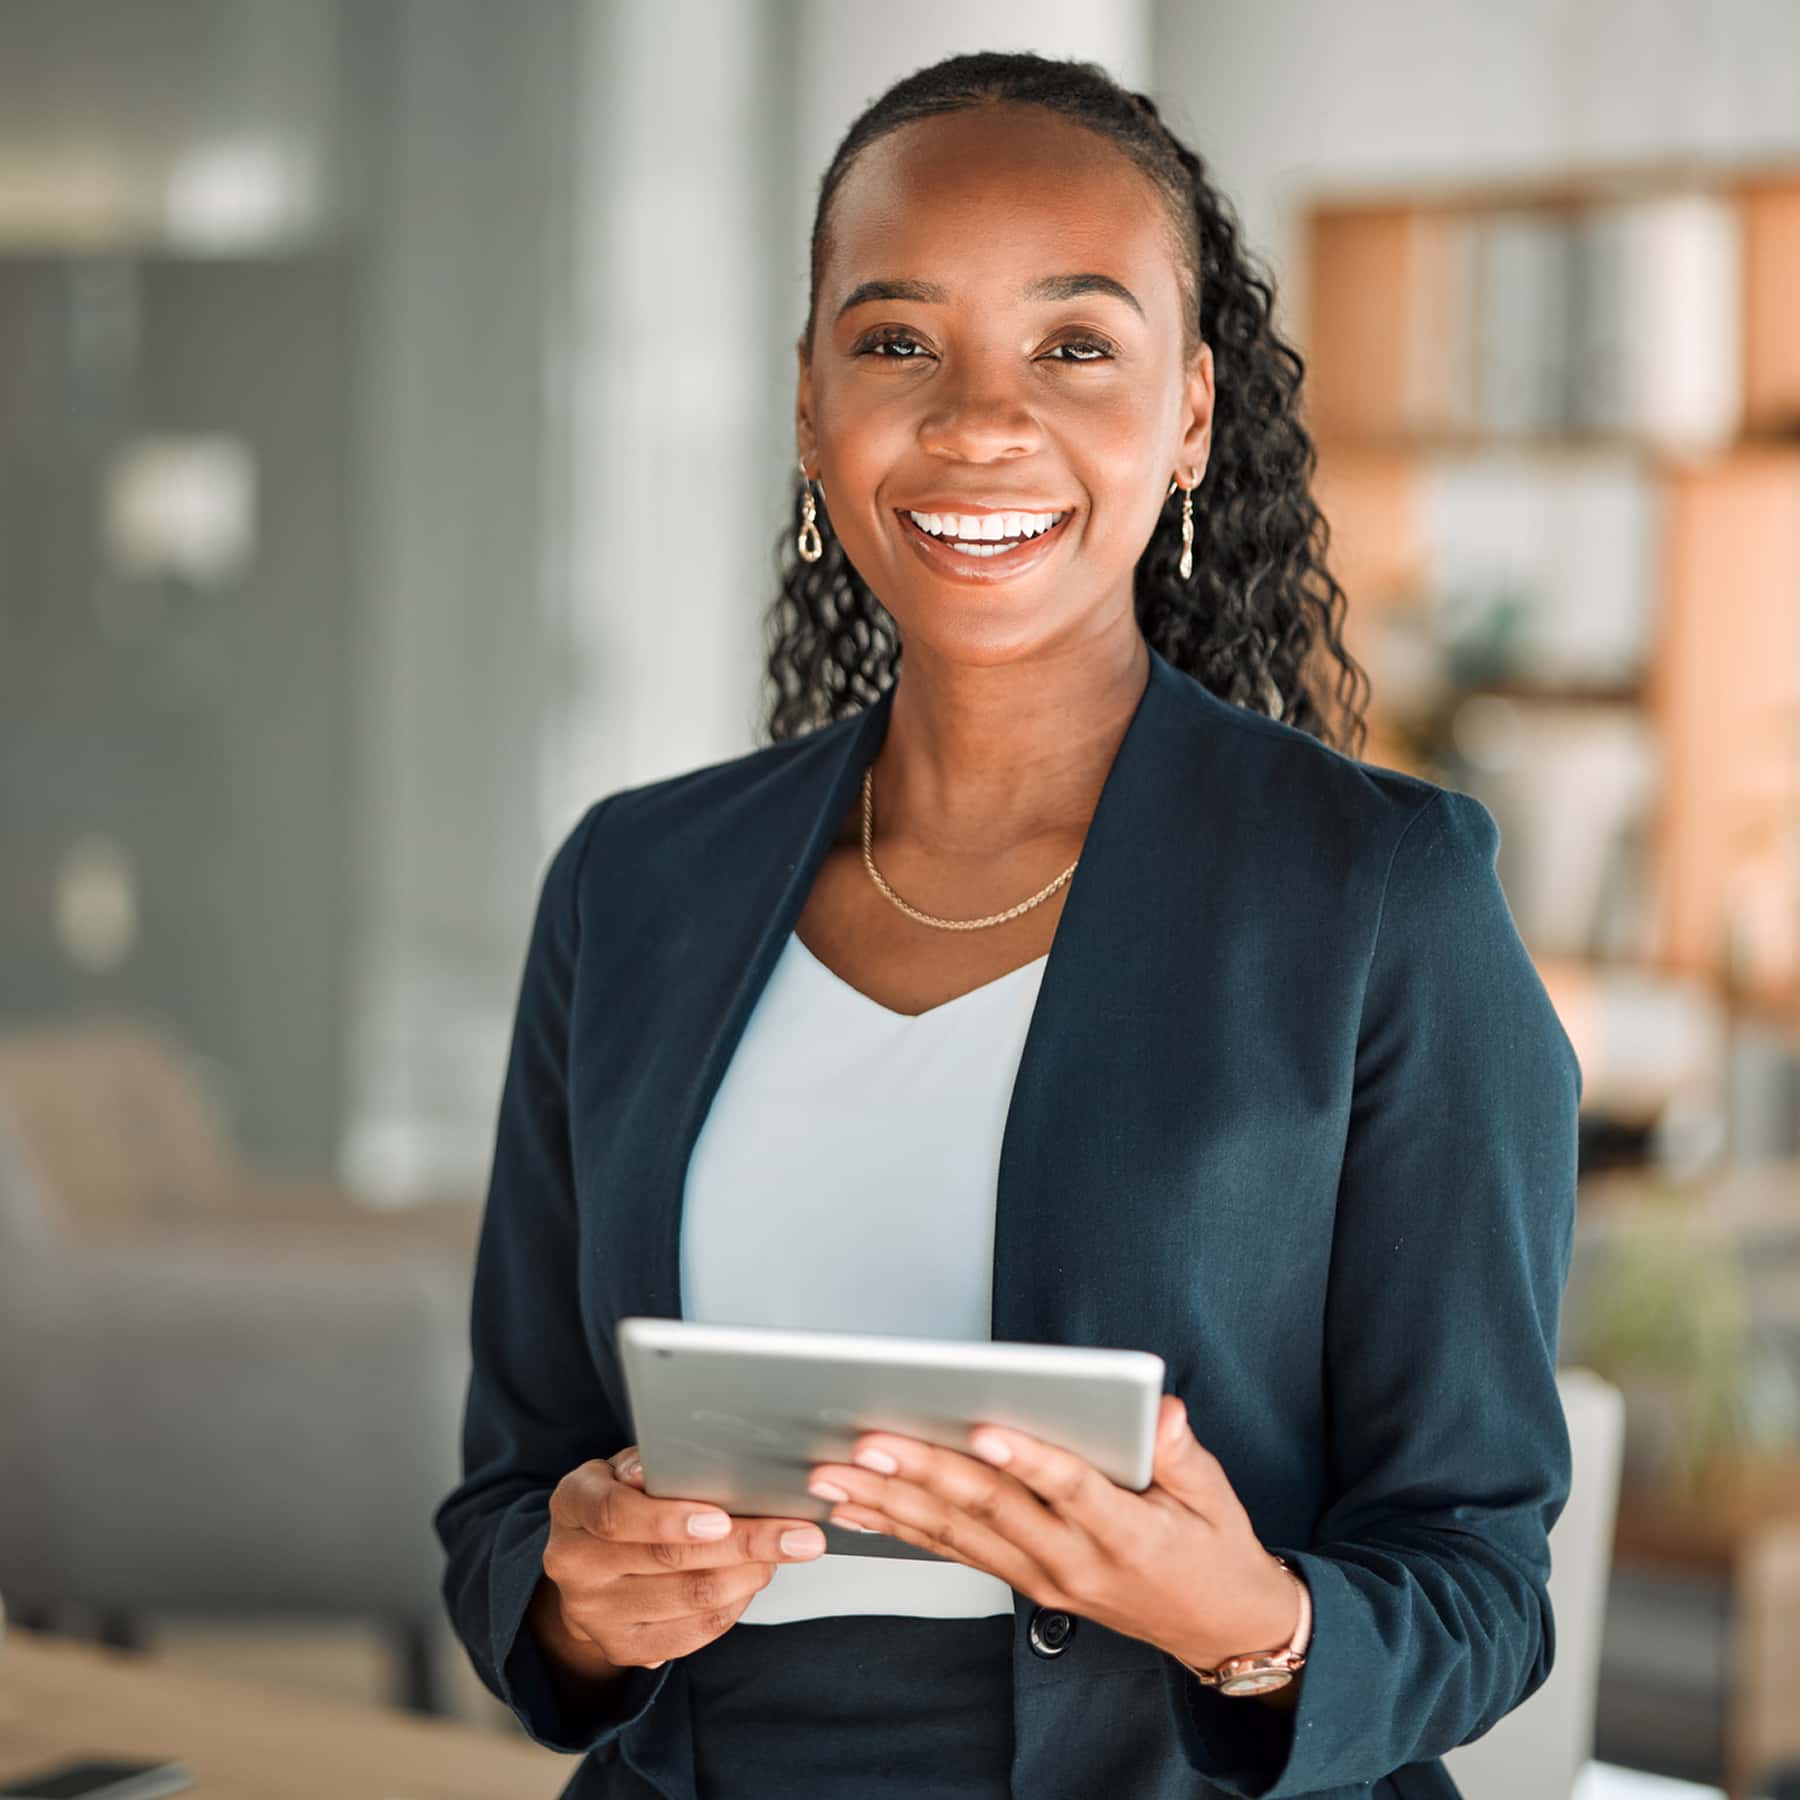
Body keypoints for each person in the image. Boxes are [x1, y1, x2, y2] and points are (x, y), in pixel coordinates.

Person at [433, 49, 1583, 1800]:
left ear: (1189, 413)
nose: (979, 422)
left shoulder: (1380, 894)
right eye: (898, 342)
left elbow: (1481, 1580)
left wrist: (1244, 1620)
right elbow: (509, 1498)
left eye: (1075, 345)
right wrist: (580, 1601)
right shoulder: (634, 884)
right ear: (811, 406)